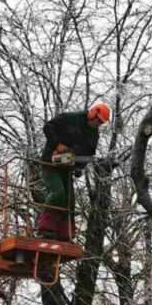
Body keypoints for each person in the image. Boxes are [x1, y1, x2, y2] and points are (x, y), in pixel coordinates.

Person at [36, 102, 111, 239]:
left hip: (67, 167)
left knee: (70, 200)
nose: (97, 123)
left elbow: (88, 155)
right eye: (97, 120)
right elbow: (48, 127)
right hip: (50, 162)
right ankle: (45, 227)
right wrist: (57, 145)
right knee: (57, 193)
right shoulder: (70, 118)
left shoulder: (93, 136)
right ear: (93, 113)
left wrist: (79, 167)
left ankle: (65, 232)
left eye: (101, 122)